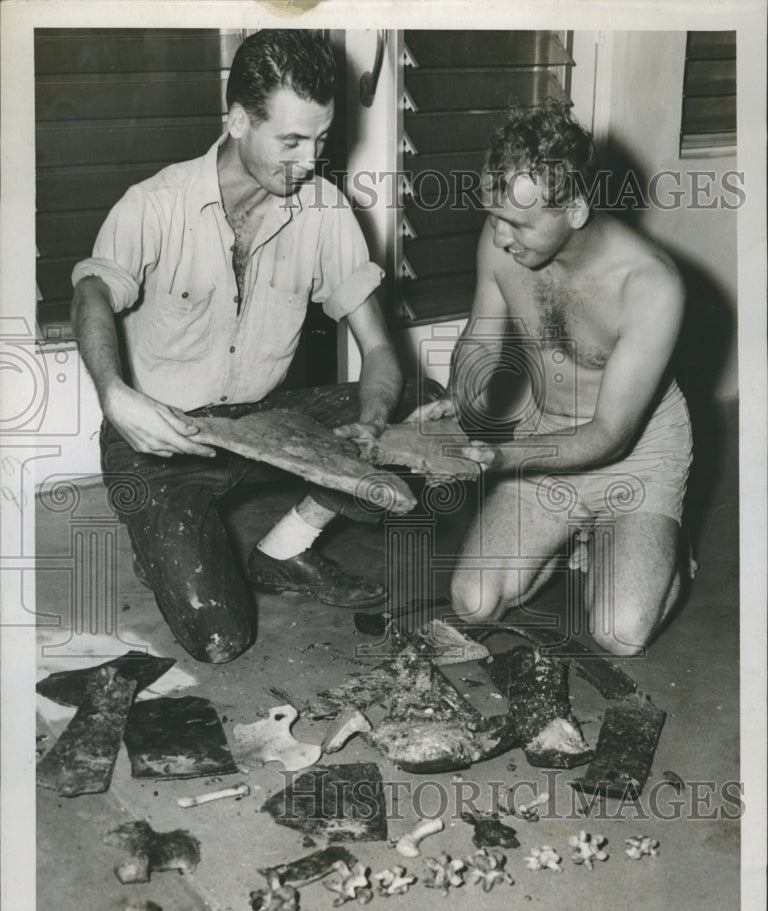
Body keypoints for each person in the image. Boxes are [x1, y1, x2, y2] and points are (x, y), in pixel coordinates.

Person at [71, 29, 425, 664]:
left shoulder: (324, 209)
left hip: (263, 425)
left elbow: (378, 349)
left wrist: (373, 425)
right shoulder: (154, 204)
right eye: (291, 141)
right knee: (222, 640)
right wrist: (114, 395)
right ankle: (164, 533)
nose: (310, 160)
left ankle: (285, 548)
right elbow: (91, 293)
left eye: (321, 139)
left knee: (422, 406)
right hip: (164, 438)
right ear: (238, 121)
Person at [408, 101, 693, 656]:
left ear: (576, 210)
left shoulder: (650, 284)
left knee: (621, 633)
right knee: (473, 602)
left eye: (517, 223)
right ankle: (573, 539)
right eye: (493, 216)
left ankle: (663, 548)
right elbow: (481, 340)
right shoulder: (500, 239)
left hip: (635, 451)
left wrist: (501, 458)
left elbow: (611, 434)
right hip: (546, 433)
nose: (499, 235)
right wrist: (459, 400)